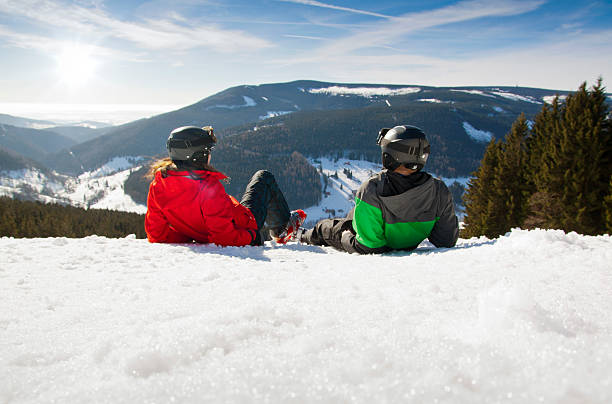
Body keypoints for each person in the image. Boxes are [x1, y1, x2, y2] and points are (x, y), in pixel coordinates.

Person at [298, 125, 459, 254]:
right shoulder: (439, 190)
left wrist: (345, 235)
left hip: (362, 234)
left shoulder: (372, 190)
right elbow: (446, 240)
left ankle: (301, 235)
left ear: (389, 157)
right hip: (386, 233)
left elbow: (369, 247)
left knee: (325, 228)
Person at [145, 125, 306, 246]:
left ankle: (282, 227)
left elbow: (156, 234)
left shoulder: (159, 184)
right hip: (244, 224)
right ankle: (283, 229)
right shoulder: (208, 187)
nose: (210, 154)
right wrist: (251, 235)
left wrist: (190, 237)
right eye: (207, 150)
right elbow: (225, 237)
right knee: (263, 177)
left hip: (222, 224)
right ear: (198, 156)